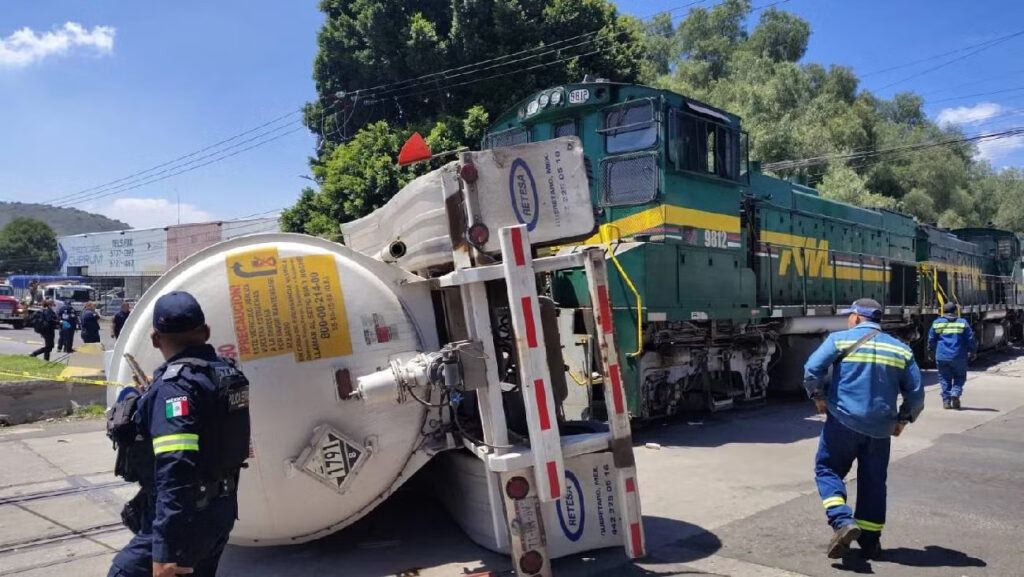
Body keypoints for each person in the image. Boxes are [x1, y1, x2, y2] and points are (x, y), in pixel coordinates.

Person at [107, 291, 250, 577]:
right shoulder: (225, 373)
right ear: (206, 332)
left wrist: (165, 551)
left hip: (185, 521)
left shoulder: (175, 387)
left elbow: (177, 467)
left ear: (155, 340)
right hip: (220, 511)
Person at [803, 298, 925, 560]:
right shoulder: (901, 350)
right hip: (881, 429)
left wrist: (818, 396)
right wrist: (903, 420)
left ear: (857, 318)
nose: (848, 319)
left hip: (843, 422)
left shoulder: (839, 340)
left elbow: (812, 369)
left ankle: (842, 520)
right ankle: (870, 542)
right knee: (873, 482)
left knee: (827, 469)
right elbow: (916, 395)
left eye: (850, 316)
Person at [928, 302, 977, 410]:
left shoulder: (937, 323)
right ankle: (955, 392)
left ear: (943, 311)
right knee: (960, 377)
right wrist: (973, 351)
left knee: (944, 378)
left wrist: (930, 351)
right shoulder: (962, 322)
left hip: (942, 356)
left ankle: (946, 401)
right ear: (955, 311)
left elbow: (931, 339)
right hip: (959, 356)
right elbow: (970, 338)